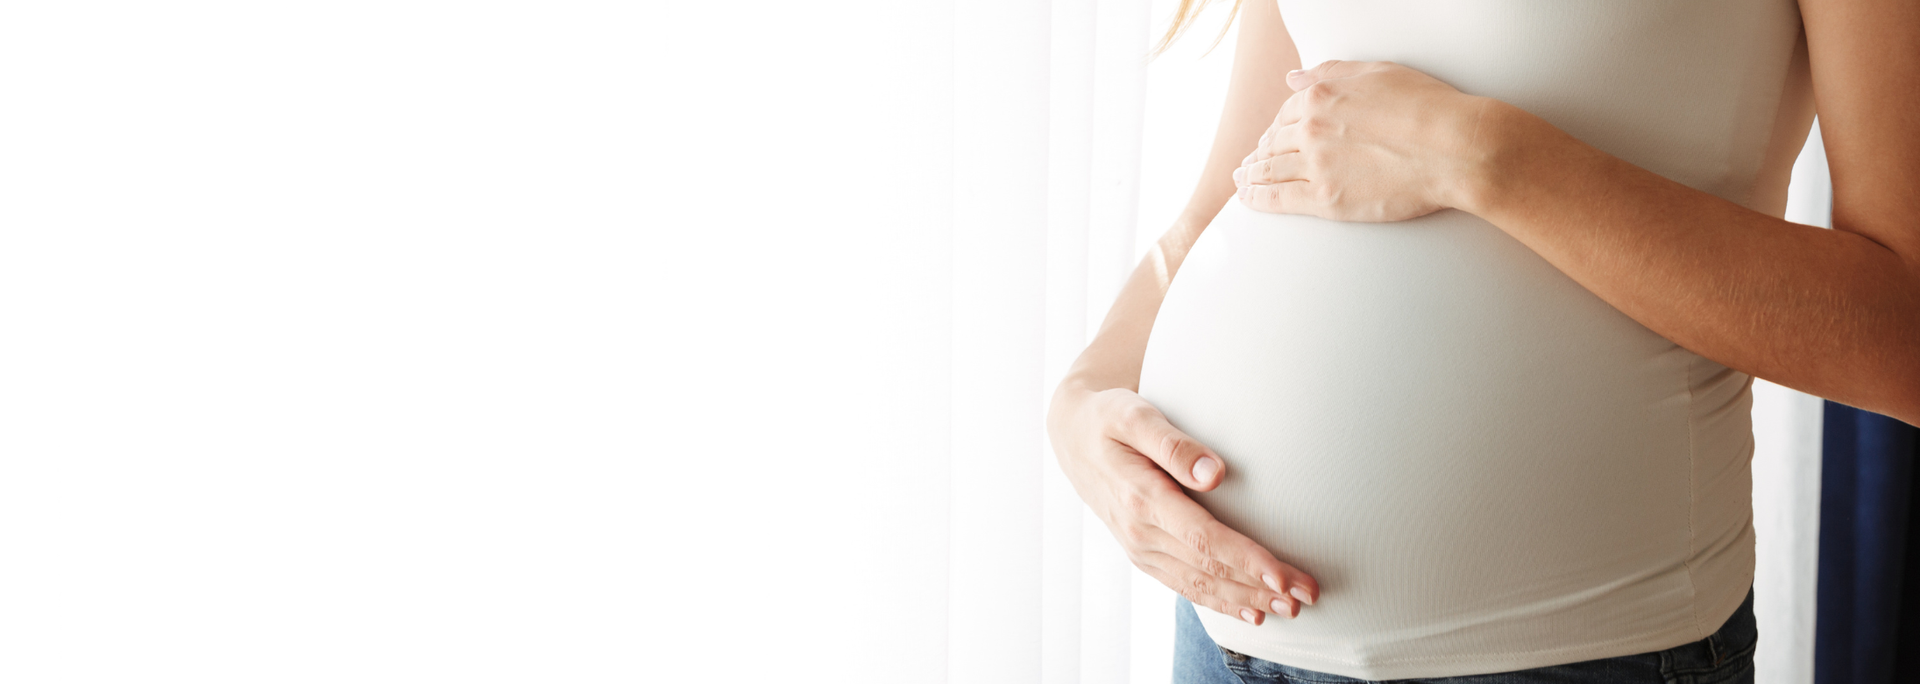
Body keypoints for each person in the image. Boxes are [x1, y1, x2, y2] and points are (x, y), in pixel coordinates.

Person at [1043, 0, 1919, 682]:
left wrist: (1481, 153)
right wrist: (1083, 403)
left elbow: (1903, 328)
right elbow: (1228, 194)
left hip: (1582, 654)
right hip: (1227, 641)